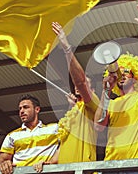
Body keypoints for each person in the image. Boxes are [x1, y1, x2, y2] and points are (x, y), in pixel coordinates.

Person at [94, 2, 138, 166]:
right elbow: (98, 126)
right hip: (110, 165)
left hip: (137, 166)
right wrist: (106, 91)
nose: (121, 75)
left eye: (126, 72)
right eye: (119, 72)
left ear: (135, 75)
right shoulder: (112, 102)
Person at [33, 22, 101, 173]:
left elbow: (80, 81)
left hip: (83, 170)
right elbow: (61, 147)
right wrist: (48, 162)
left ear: (93, 90)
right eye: (77, 86)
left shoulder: (94, 104)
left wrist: (66, 47)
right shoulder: (71, 114)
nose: (78, 86)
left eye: (85, 85)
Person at [0, 94, 59, 174]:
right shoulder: (12, 135)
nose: (21, 111)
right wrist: (3, 164)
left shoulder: (54, 129)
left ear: (37, 109)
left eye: (25, 107)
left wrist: (52, 162)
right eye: (20, 108)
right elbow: (0, 162)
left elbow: (73, 134)